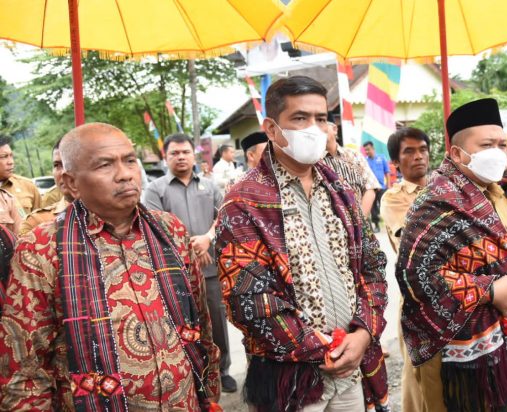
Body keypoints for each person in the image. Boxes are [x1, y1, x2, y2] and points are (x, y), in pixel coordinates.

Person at [0, 123, 220, 410]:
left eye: (129, 160)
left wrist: (209, 394)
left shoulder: (171, 230)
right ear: (71, 182)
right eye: (105, 165)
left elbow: (200, 325)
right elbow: (25, 371)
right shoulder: (41, 248)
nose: (125, 174)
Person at [215, 76, 389, 412]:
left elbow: (372, 267)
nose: (313, 128)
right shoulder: (243, 202)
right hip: (293, 381)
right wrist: (324, 349)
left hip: (351, 370)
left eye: (320, 118)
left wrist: (363, 334)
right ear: (271, 128)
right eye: (300, 118)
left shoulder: (342, 192)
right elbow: (247, 299)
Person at [397, 98, 507, 412]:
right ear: (456, 153)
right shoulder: (436, 203)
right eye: (486, 145)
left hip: (504, 341)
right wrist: (488, 290)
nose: (498, 153)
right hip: (458, 357)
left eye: (502, 145)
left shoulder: (497, 192)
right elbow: (415, 276)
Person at [143, 133, 236, 394]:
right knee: (182, 325)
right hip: (174, 273)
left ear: (193, 156)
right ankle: (192, 375)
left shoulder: (209, 186)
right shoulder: (155, 190)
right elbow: (153, 227)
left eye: (185, 152)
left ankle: (222, 370)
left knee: (217, 323)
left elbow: (224, 217)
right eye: (175, 153)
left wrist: (208, 238)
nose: (181, 157)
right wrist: (191, 250)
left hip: (210, 270)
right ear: (166, 157)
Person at [379, 127, 429, 412]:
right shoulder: (393, 198)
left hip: (455, 291)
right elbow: (416, 240)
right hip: (416, 296)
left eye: (422, 149)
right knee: (418, 373)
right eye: (409, 151)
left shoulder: (444, 186)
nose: (418, 156)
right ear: (396, 162)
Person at [322, 121, 379, 216]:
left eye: (321, 121)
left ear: (335, 129)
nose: (318, 129)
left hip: (360, 220)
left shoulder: (354, 156)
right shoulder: (312, 163)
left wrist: (360, 220)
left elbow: (370, 187)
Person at [20, 139, 74, 235]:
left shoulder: (104, 214)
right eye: (57, 165)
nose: (63, 172)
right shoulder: (36, 222)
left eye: (70, 164)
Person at [0, 135, 41, 215]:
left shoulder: (28, 186)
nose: (11, 162)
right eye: (4, 157)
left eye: (11, 156)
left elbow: (41, 219)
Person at [363, 140, 390, 232]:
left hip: (382, 187)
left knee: (385, 206)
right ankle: (377, 225)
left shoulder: (381, 158)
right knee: (373, 208)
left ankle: (390, 225)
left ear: (373, 148)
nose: (367, 151)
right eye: (365, 150)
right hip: (371, 189)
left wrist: (388, 185)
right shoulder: (365, 161)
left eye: (368, 149)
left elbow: (387, 172)